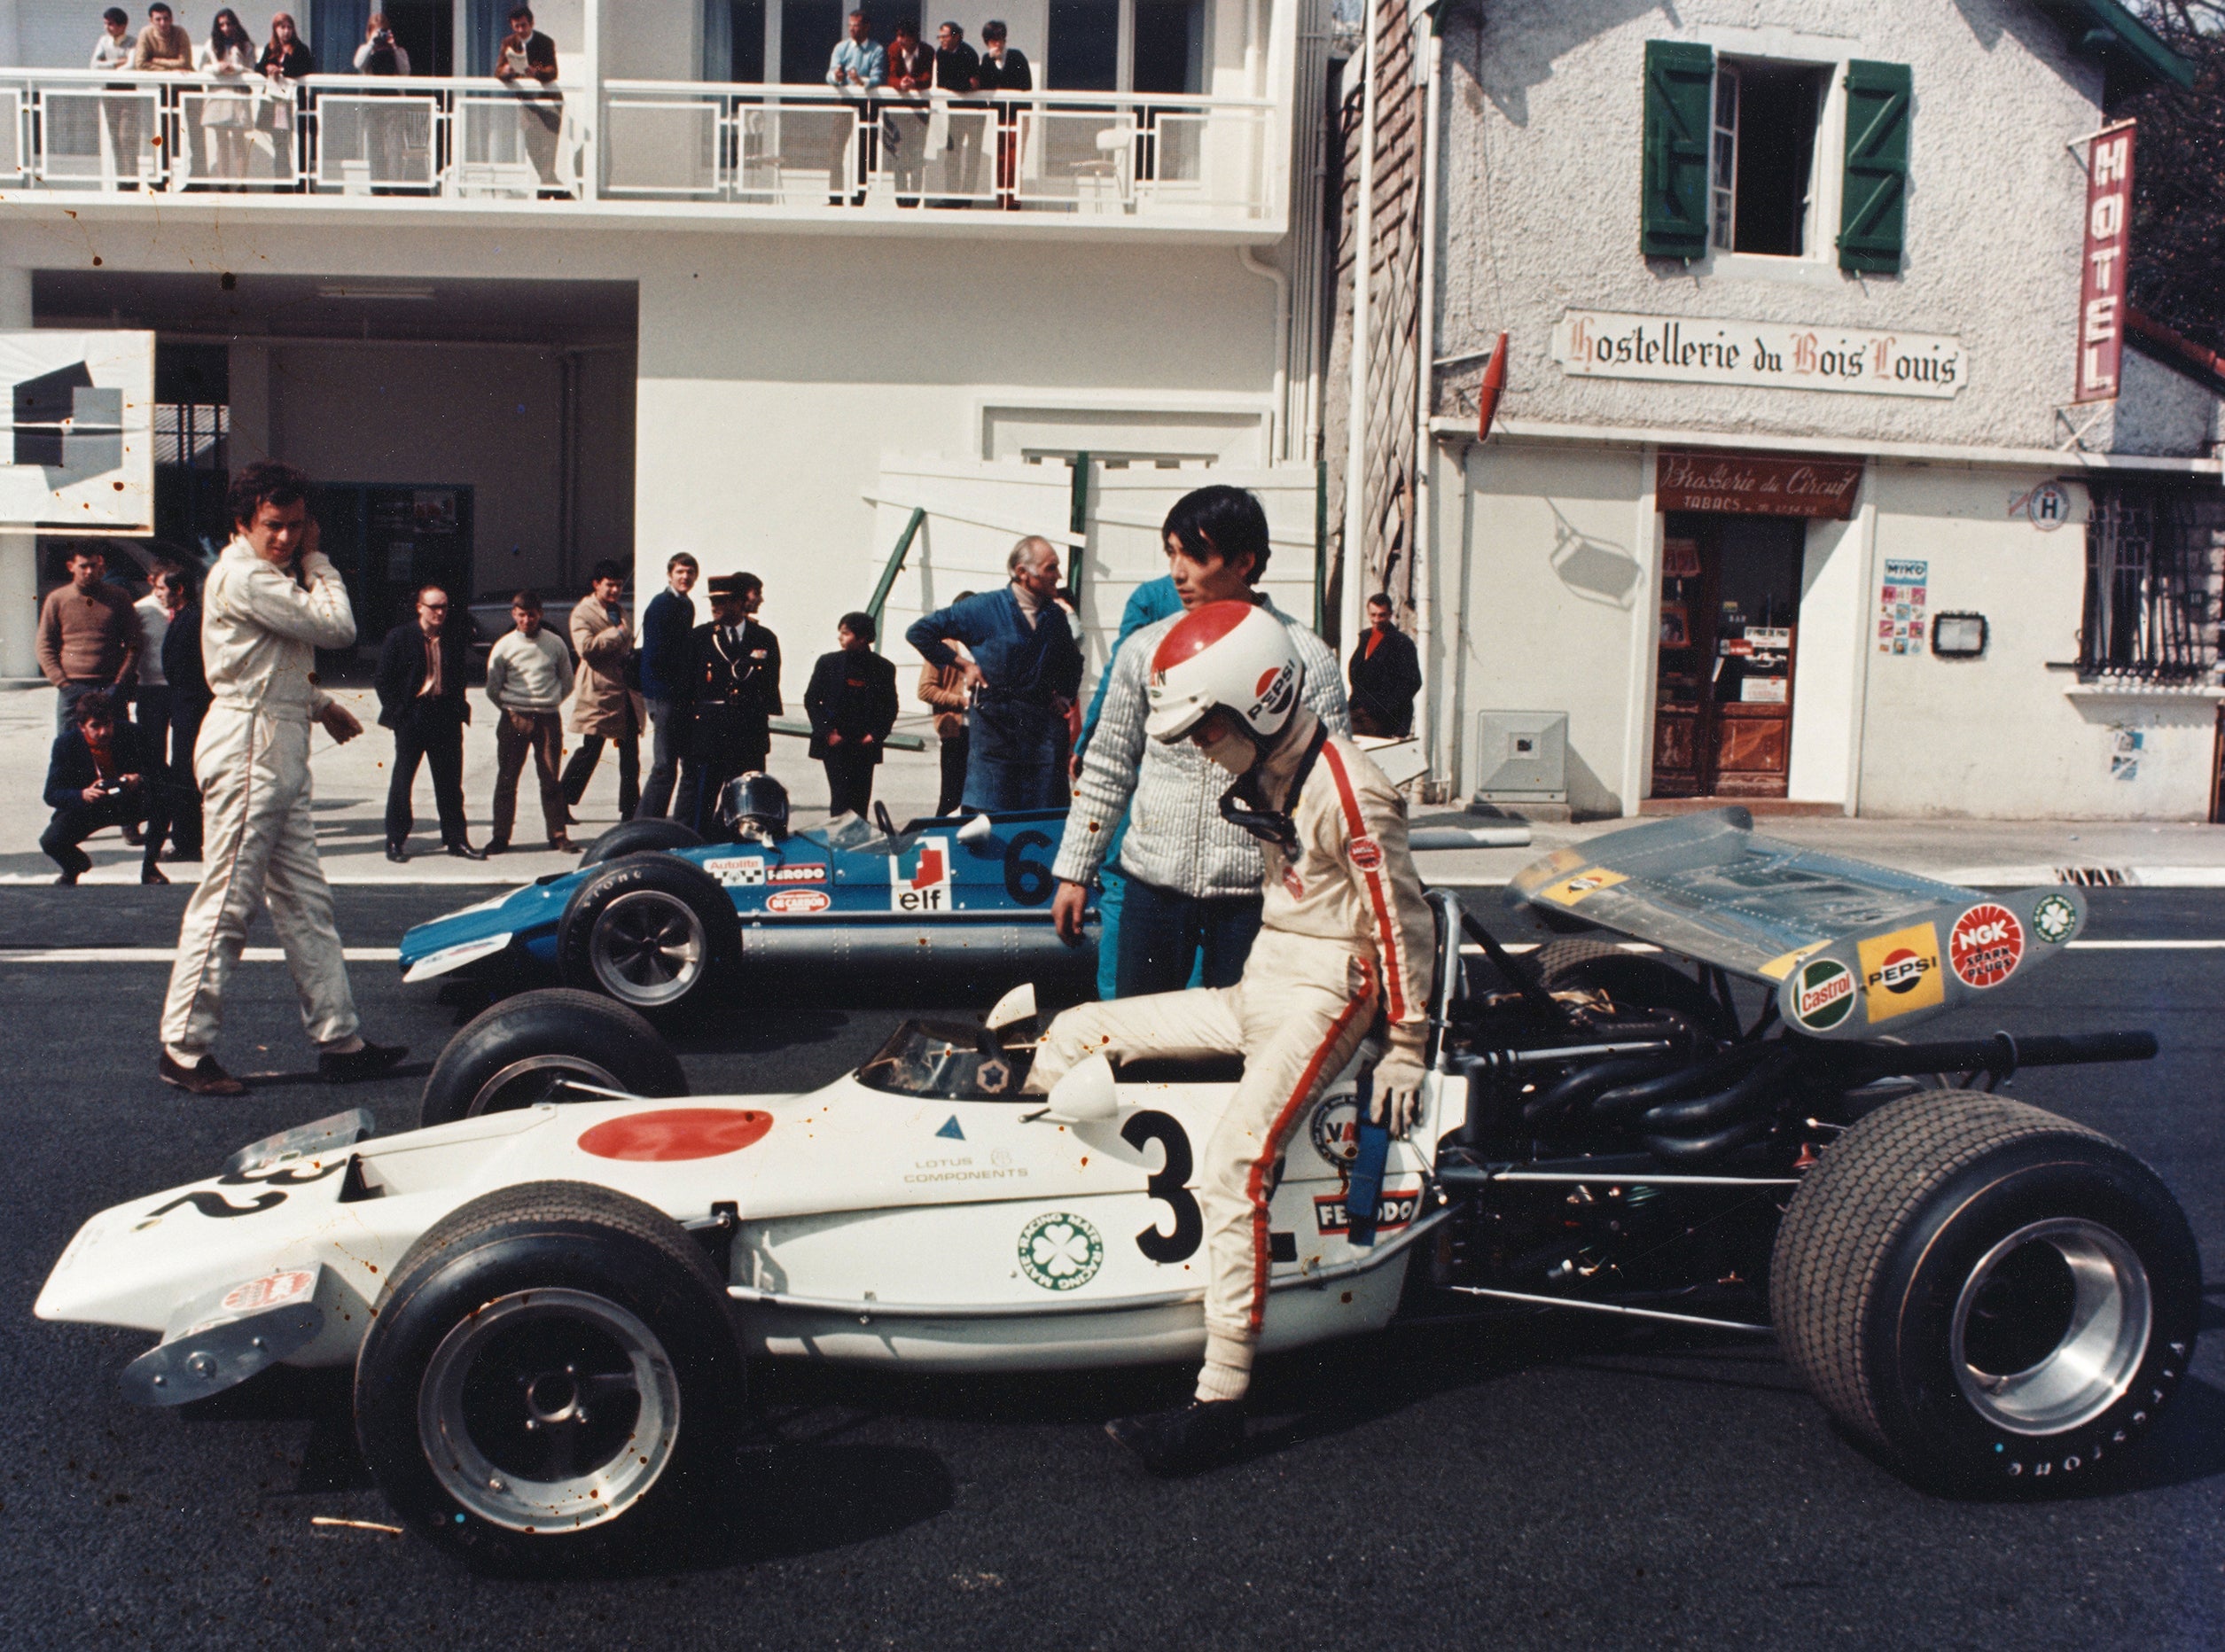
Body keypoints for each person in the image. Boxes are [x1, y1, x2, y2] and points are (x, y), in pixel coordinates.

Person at [1027, 601, 1433, 1476]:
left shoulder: (1352, 788)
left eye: (1206, 727)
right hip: (1263, 980)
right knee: (1076, 1027)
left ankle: (1217, 1401)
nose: (1199, 746)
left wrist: (1406, 1042)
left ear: (1256, 703)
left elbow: (1403, 924)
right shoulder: (1274, 765)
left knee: (1233, 1163)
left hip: (1329, 990)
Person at [159, 460, 407, 1097]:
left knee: (305, 902)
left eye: (297, 527)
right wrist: (321, 563)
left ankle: (340, 1039)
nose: (287, 538)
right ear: (243, 523)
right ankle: (184, 1049)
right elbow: (337, 628)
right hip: (248, 745)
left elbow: (267, 663)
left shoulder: (265, 574)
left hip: (277, 739)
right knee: (227, 903)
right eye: (274, 525)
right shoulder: (246, 575)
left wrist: (319, 705)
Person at [1052, 486, 1348, 997]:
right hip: (1154, 890)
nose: (1177, 571)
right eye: (1171, 552)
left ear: (1245, 561)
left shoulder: (1304, 657)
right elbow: (1108, 767)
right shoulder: (1147, 650)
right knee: (1141, 1040)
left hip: (1256, 897)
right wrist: (1075, 871)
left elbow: (1332, 790)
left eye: (1195, 555)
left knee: (1240, 1045)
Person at [905, 537, 1081, 812]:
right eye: (1051, 568)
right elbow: (920, 632)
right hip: (996, 735)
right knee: (991, 819)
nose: (1058, 575)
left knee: (1043, 819)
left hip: (1042, 737)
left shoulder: (1054, 616)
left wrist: (1066, 696)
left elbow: (1073, 662)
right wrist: (964, 665)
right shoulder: (982, 608)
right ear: (1023, 572)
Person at [1070, 573, 1183, 997]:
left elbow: (1119, 670)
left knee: (1118, 877)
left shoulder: (1151, 597)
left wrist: (1085, 742)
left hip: (1147, 766)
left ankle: (1115, 1010)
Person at [377, 585, 482, 861]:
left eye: (444, 607)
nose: (439, 612)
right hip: (413, 716)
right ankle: (395, 841)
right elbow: (383, 680)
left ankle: (456, 840)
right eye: (434, 606)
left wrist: (458, 706)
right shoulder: (400, 637)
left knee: (450, 784)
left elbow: (459, 675)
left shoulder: (453, 636)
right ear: (420, 607)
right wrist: (399, 712)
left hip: (445, 715)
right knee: (402, 781)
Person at [675, 573, 784, 837]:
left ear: (739, 603)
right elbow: (685, 687)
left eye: (723, 602)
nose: (715, 607)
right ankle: (699, 844)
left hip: (748, 730)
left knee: (747, 800)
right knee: (704, 798)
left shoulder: (763, 637)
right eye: (713, 601)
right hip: (710, 733)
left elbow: (770, 681)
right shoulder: (700, 637)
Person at [41, 690, 169, 886]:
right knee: (50, 841)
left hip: (127, 800)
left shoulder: (132, 733)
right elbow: (51, 794)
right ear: (81, 727)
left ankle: (150, 868)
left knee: (166, 800)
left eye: (108, 724)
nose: (103, 732)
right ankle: (73, 866)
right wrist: (82, 794)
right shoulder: (66, 744)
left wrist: (139, 779)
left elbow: (163, 774)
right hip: (90, 806)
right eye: (95, 726)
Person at [484, 588, 576, 853]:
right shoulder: (504, 646)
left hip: (547, 718)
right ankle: (500, 836)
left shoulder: (555, 643)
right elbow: (493, 687)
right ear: (514, 614)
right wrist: (512, 707)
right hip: (514, 718)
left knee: (550, 779)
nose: (527, 620)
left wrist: (550, 701)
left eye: (532, 615)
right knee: (507, 779)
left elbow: (567, 681)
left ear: (541, 614)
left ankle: (558, 834)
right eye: (522, 615)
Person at [560, 560, 643, 822]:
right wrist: (617, 635)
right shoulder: (583, 613)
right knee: (590, 751)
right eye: (610, 585)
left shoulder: (618, 609)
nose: (615, 590)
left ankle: (630, 809)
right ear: (597, 584)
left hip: (625, 693)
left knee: (631, 754)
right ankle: (560, 801)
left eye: (619, 585)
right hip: (599, 692)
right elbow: (585, 647)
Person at [37, 547, 143, 734]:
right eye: (83, 566)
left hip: (110, 686)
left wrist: (119, 683)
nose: (89, 571)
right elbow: (44, 646)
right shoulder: (57, 600)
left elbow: (134, 643)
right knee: (69, 748)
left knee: (117, 748)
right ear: (71, 566)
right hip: (72, 687)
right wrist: (63, 684)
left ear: (100, 564)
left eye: (93, 566)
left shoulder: (119, 597)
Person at [805, 612, 899, 820]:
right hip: (836, 743)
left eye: (846, 633)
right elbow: (812, 700)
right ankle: (838, 846)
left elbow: (889, 707)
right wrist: (828, 732)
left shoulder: (883, 668)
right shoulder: (828, 663)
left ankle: (857, 847)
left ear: (862, 638)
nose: (840, 637)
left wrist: (875, 735)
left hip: (864, 744)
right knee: (840, 800)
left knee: (860, 803)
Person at [636, 551, 699, 819]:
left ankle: (680, 823)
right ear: (669, 575)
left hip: (679, 695)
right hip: (664, 695)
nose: (685, 577)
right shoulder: (662, 605)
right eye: (680, 572)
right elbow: (659, 655)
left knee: (685, 763)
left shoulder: (686, 605)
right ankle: (646, 824)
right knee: (664, 765)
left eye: (690, 572)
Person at [126, 562, 179, 849]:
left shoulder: (185, 609)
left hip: (180, 690)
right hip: (151, 690)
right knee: (150, 755)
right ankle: (141, 817)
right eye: (160, 587)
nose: (164, 594)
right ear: (151, 582)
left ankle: (181, 818)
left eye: (170, 588)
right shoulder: (141, 610)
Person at [160, 562, 209, 861]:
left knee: (185, 774)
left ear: (178, 590)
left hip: (192, 705)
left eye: (165, 588)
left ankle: (188, 842)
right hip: (184, 703)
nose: (161, 594)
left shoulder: (194, 620)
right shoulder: (186, 618)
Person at [495, 5, 564, 196]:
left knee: (549, 147)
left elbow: (553, 71)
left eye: (523, 26)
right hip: (528, 103)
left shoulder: (545, 42)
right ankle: (555, 189)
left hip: (549, 101)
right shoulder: (508, 43)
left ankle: (547, 189)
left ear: (531, 23)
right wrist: (507, 72)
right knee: (532, 146)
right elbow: (498, 70)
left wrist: (537, 73)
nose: (520, 30)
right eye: (516, 26)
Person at [917, 588, 974, 815]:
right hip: (956, 731)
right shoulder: (945, 647)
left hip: (984, 732)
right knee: (951, 797)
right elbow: (925, 689)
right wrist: (961, 701)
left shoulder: (983, 646)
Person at [826, 10, 884, 204]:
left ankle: (859, 199)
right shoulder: (841, 48)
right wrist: (837, 77)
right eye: (850, 25)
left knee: (863, 153)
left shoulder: (876, 49)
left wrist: (861, 81)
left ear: (866, 27)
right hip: (844, 102)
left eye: (857, 25)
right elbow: (830, 74)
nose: (853, 29)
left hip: (865, 104)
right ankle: (836, 198)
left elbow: (877, 77)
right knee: (836, 150)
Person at [193, 9, 257, 184]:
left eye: (229, 23)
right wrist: (217, 68)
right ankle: (223, 182)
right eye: (221, 24)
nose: (226, 28)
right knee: (221, 141)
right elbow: (201, 67)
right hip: (219, 94)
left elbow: (252, 69)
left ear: (235, 24)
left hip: (237, 95)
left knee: (239, 140)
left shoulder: (246, 45)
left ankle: (242, 183)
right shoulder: (211, 45)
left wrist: (236, 68)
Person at [1348, 593, 1423, 737]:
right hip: (1357, 712)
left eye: (1382, 615)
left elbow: (1412, 682)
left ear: (1390, 614)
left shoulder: (1402, 643)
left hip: (1383, 719)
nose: (1376, 620)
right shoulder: (1365, 637)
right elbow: (1357, 673)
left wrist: (1384, 708)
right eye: (1373, 615)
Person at [352, 12, 411, 189]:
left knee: (394, 146)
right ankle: (378, 187)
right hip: (371, 102)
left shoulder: (398, 51)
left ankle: (395, 187)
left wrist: (393, 48)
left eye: (384, 32)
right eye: (377, 32)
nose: (381, 36)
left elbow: (405, 71)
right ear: (370, 31)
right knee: (374, 145)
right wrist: (372, 43)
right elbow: (357, 63)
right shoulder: (366, 50)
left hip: (393, 102)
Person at [977, 19, 1030, 208]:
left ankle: (1014, 203)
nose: (997, 43)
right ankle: (1002, 202)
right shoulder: (987, 59)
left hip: (1017, 115)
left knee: (1014, 160)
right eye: (992, 40)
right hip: (999, 116)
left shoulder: (1016, 57)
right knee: (1001, 160)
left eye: (1000, 39)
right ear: (987, 42)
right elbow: (983, 85)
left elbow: (1026, 86)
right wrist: (989, 61)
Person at [883, 19, 933, 206]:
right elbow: (891, 76)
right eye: (898, 35)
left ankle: (915, 199)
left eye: (903, 36)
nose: (900, 39)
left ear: (914, 37)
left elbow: (928, 77)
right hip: (900, 109)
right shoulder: (894, 49)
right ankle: (901, 198)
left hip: (920, 110)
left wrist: (915, 82)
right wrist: (900, 84)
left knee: (918, 153)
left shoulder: (927, 51)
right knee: (900, 153)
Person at [93, 7, 145, 189]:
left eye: (111, 24)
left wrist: (109, 67)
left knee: (127, 137)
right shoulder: (103, 41)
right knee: (115, 137)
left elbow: (131, 65)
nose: (108, 27)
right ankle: (121, 181)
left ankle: (132, 181)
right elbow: (94, 65)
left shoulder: (133, 42)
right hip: (110, 92)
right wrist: (116, 63)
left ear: (122, 25)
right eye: (106, 23)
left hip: (128, 92)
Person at [130, 3, 193, 73]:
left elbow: (185, 63)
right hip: (158, 76)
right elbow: (140, 64)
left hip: (183, 77)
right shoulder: (145, 33)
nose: (162, 23)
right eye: (158, 19)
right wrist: (168, 71)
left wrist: (155, 60)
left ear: (171, 19)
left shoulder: (180, 32)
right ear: (151, 21)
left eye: (166, 19)